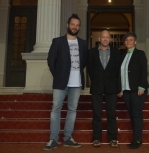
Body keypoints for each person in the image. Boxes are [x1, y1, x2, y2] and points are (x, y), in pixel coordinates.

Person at [43, 14, 88, 151]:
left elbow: (84, 62)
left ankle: (68, 138)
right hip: (61, 82)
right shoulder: (57, 41)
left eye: (78, 25)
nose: (75, 27)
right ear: (68, 25)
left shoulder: (83, 43)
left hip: (77, 82)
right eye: (73, 24)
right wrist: (58, 76)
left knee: (72, 110)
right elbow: (51, 61)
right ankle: (53, 139)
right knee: (56, 109)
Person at [88, 30, 120, 148]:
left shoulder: (116, 52)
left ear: (110, 39)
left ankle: (113, 138)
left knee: (111, 114)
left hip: (112, 87)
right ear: (99, 39)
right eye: (103, 37)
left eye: (108, 37)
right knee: (97, 114)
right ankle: (97, 138)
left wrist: (118, 87)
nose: (105, 39)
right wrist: (96, 80)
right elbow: (90, 70)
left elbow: (117, 71)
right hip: (97, 86)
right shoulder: (91, 52)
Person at [118, 32, 149, 149]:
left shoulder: (140, 54)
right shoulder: (122, 56)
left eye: (131, 40)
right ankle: (137, 138)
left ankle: (137, 140)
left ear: (135, 42)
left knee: (136, 114)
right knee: (131, 114)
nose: (128, 42)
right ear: (124, 43)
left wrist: (142, 86)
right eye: (126, 40)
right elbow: (120, 74)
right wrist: (120, 88)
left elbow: (143, 71)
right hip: (126, 90)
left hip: (137, 90)